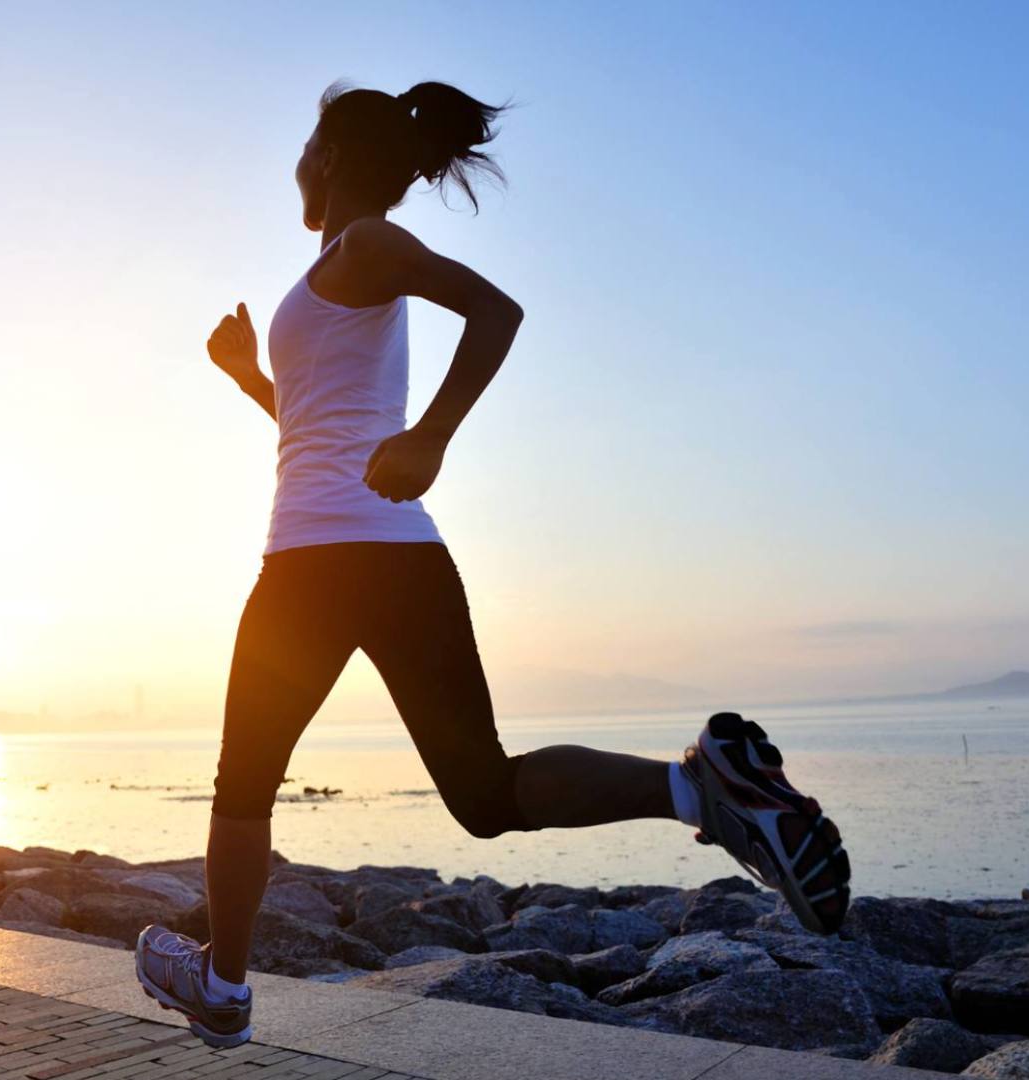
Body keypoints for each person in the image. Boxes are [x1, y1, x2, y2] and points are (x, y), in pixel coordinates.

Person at [135, 80, 851, 1048]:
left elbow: (496, 312)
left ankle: (221, 989)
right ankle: (702, 790)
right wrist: (249, 380)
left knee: (245, 783)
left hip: (314, 565)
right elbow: (316, 431)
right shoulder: (327, 278)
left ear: (334, 155)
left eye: (307, 146)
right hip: (386, 558)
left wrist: (432, 435)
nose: (297, 164)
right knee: (483, 797)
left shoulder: (366, 245)